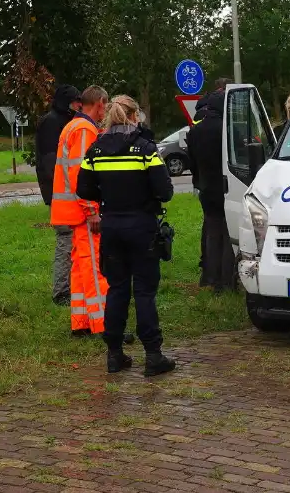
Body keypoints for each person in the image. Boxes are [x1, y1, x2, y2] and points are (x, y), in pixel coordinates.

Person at [77, 95, 176, 376]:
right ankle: (153, 356)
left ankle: (115, 354)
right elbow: (165, 191)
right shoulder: (145, 149)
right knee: (144, 292)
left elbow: (84, 189)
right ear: (134, 117)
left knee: (117, 290)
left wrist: (108, 196)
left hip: (111, 228)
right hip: (142, 227)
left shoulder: (95, 150)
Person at [51, 85, 109, 336]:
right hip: (82, 211)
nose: (105, 111)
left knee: (79, 267)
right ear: (100, 103)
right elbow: (80, 175)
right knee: (94, 267)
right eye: (104, 106)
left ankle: (81, 322)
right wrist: (91, 210)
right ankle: (102, 325)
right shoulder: (85, 129)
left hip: (71, 211)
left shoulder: (72, 126)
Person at [35, 84, 82, 305]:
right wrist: (61, 190)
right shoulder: (52, 122)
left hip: (64, 191)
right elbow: (50, 162)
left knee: (72, 240)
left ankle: (70, 286)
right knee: (65, 239)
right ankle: (61, 291)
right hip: (60, 193)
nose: (78, 105)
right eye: (75, 101)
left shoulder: (64, 121)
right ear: (66, 101)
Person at [187, 87, 236, 290]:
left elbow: (191, 162)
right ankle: (227, 280)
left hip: (206, 188)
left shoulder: (195, 130)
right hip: (227, 186)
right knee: (228, 233)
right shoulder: (227, 128)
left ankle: (210, 277)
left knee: (212, 232)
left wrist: (199, 182)